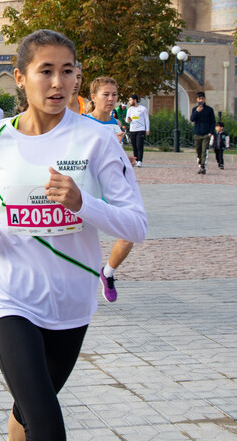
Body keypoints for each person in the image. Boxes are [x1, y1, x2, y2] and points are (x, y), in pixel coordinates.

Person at [0, 30, 147, 440]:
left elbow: (135, 225)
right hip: (9, 297)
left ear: (78, 78)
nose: (58, 83)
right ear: (20, 77)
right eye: (46, 71)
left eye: (67, 71)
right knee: (46, 424)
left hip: (71, 302)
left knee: (27, 409)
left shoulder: (97, 140)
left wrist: (81, 203)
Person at [84, 76, 139, 303]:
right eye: (105, 95)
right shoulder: (83, 124)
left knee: (128, 235)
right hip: (88, 189)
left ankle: (107, 273)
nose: (110, 99)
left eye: (114, 95)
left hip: (113, 188)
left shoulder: (115, 124)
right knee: (81, 242)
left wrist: (125, 158)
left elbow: (112, 159)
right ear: (94, 97)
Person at [189, 91, 216, 174]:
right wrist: (197, 111)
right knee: (198, 151)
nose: (201, 100)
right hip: (197, 133)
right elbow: (192, 119)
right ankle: (201, 164)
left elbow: (213, 121)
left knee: (204, 150)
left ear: (204, 99)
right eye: (199, 98)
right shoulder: (194, 109)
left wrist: (211, 132)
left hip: (206, 134)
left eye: (202, 98)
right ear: (197, 99)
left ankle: (203, 166)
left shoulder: (209, 109)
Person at [125, 94, 149, 167]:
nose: (129, 102)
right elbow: (127, 119)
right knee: (134, 146)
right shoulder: (130, 109)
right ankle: (135, 159)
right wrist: (128, 120)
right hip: (133, 129)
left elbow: (146, 119)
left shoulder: (143, 109)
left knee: (139, 145)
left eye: (130, 100)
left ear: (135, 100)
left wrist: (147, 129)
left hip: (140, 129)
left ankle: (139, 161)